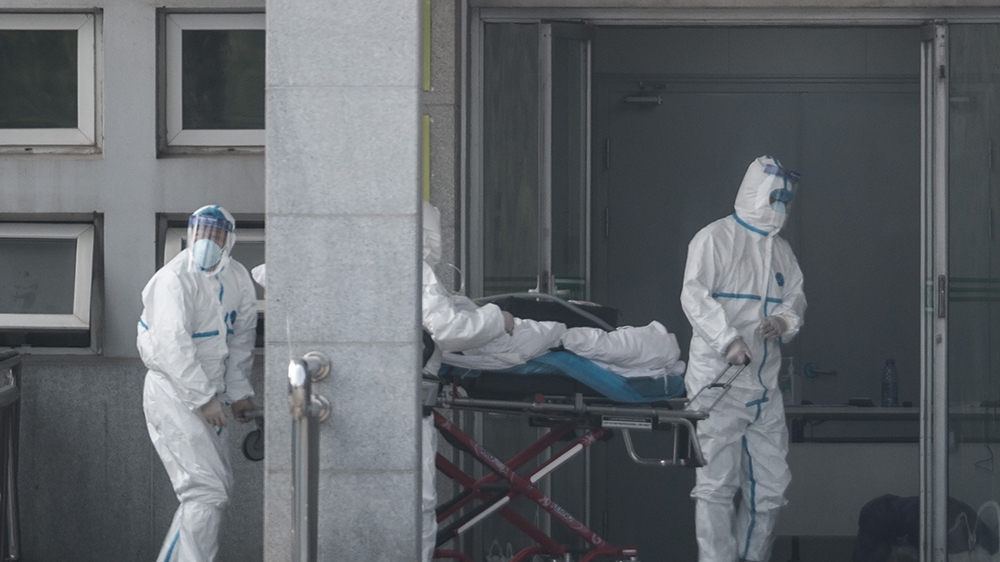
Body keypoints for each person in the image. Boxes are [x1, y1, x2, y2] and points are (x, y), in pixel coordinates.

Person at [680, 156, 807, 562]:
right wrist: (728, 340)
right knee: (717, 487)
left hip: (765, 387)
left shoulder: (781, 252)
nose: (781, 207)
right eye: (775, 197)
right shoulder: (714, 239)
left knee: (770, 488)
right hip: (719, 385)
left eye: (786, 200)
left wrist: (783, 321)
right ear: (755, 192)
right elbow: (693, 296)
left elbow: (795, 299)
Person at [137, 205, 259, 562]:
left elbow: (240, 343)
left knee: (212, 491)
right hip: (173, 393)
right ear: (191, 235)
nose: (208, 240)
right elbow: (171, 346)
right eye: (202, 232)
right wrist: (203, 399)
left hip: (211, 397)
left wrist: (238, 395)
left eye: (216, 234)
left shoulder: (238, 278)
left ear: (229, 240)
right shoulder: (173, 279)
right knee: (206, 491)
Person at [420, 201, 513, 561]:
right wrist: (499, 319)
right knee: (416, 505)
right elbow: (449, 330)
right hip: (407, 408)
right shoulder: (414, 269)